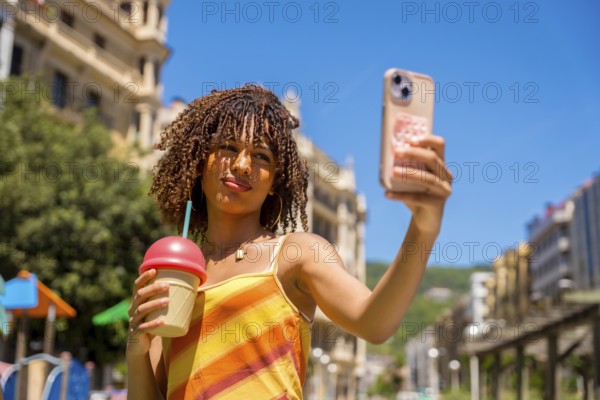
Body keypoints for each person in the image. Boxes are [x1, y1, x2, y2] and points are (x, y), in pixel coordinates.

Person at [126, 84, 452, 399]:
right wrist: (136, 348)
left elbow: (374, 323)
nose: (242, 165)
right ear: (201, 160)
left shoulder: (296, 254)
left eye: (261, 156)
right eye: (227, 148)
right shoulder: (175, 271)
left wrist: (422, 229)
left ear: (274, 182)